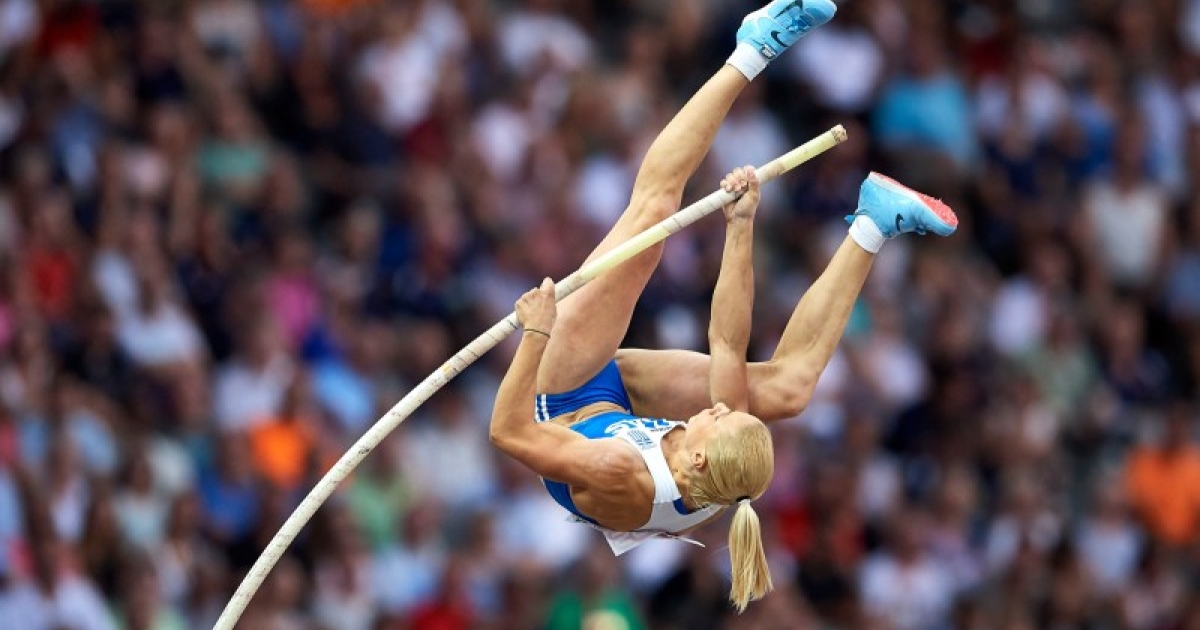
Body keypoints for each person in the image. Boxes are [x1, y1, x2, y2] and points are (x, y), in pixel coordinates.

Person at [489, 0, 958, 612]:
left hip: (563, 397)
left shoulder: (617, 470)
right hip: (625, 408)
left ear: (699, 452)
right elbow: (727, 345)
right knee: (789, 391)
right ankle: (874, 221)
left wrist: (535, 334)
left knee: (653, 216)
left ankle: (751, 47)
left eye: (715, 418)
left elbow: (507, 431)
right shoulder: (727, 464)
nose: (713, 408)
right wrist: (741, 225)